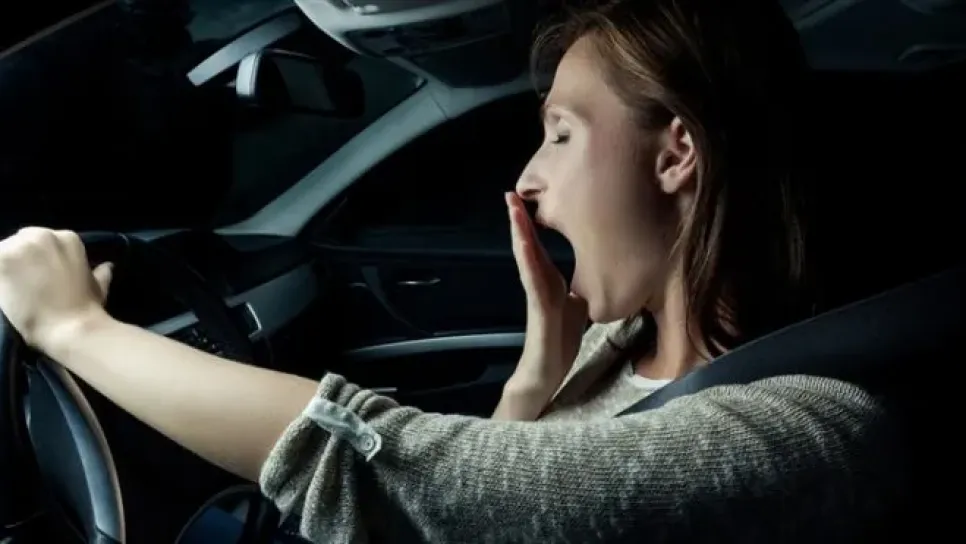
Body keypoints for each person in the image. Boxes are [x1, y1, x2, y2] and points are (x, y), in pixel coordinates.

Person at [0, 0, 902, 542]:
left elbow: (439, 488)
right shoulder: (628, 342)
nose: (528, 180)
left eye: (560, 134)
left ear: (676, 155)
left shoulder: (809, 432)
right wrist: (537, 376)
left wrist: (76, 329)